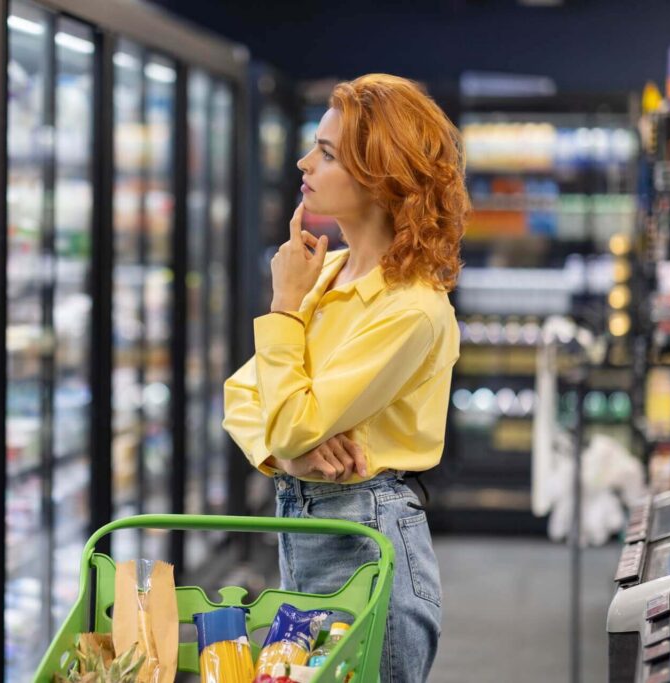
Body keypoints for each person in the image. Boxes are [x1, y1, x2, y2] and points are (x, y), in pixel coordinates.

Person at [222, 74, 468, 682]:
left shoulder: (411, 308)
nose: (305, 161)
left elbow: (290, 419)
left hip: (366, 535)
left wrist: (282, 309)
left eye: (327, 153)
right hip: (305, 519)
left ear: (382, 176)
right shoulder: (325, 272)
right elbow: (241, 397)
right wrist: (292, 460)